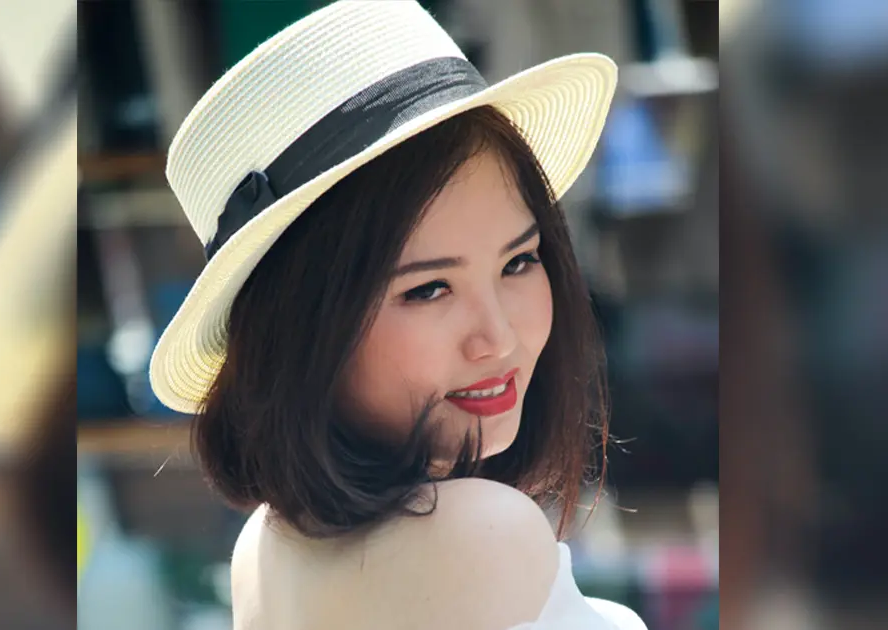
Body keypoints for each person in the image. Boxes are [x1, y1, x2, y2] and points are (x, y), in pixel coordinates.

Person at [149, 2, 646, 628]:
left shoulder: (263, 547)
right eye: (428, 290)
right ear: (302, 329)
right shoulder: (483, 534)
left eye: (518, 262)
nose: (497, 337)